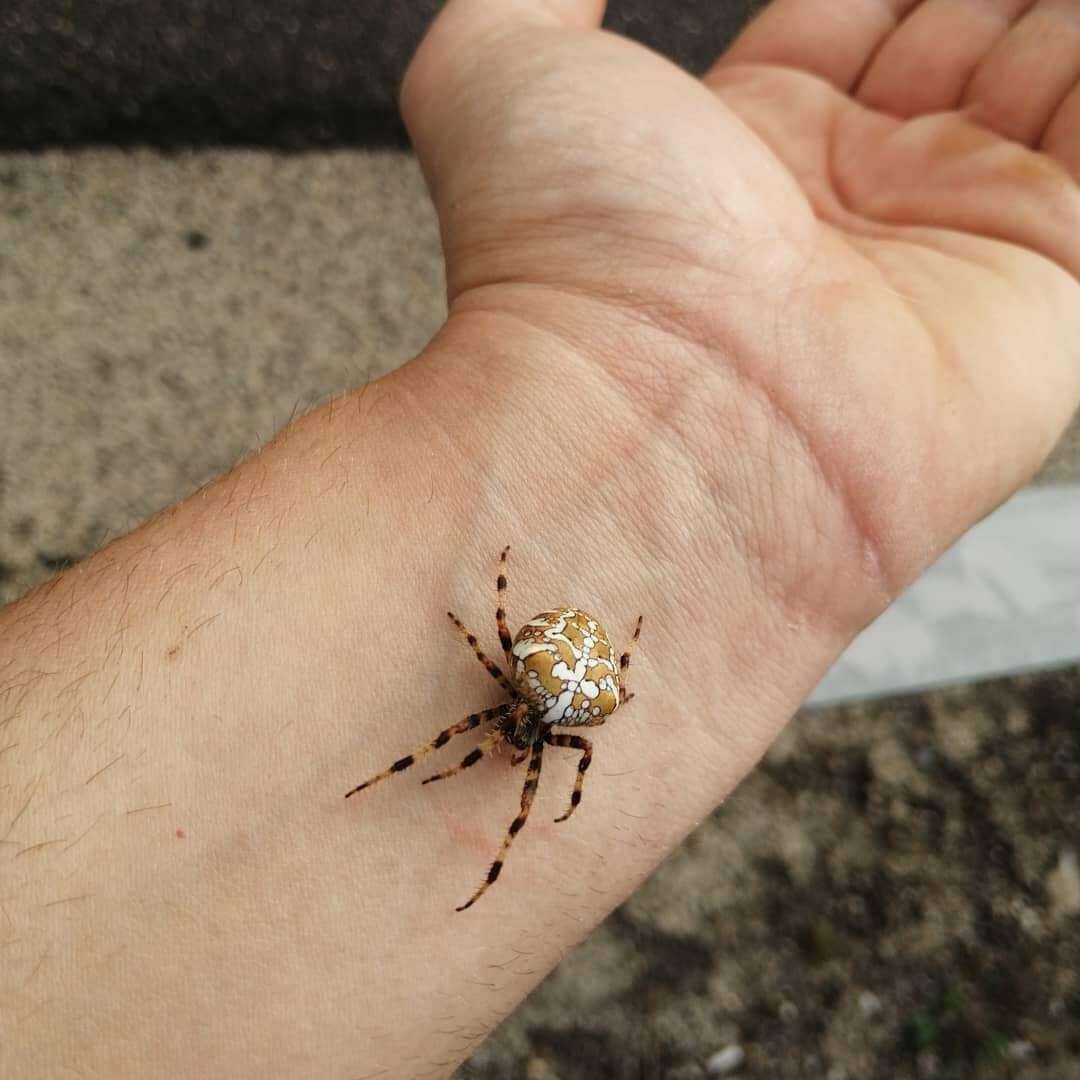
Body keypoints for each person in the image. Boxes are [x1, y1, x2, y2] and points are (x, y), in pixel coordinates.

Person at [2, 0, 1077, 1075]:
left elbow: (529, 706)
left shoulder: (527, 711)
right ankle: (390, 790)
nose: (507, 747)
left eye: (525, 739)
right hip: (574, 662)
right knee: (464, 741)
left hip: (575, 661)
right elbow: (524, 689)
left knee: (473, 746)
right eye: (525, 737)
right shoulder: (533, 707)